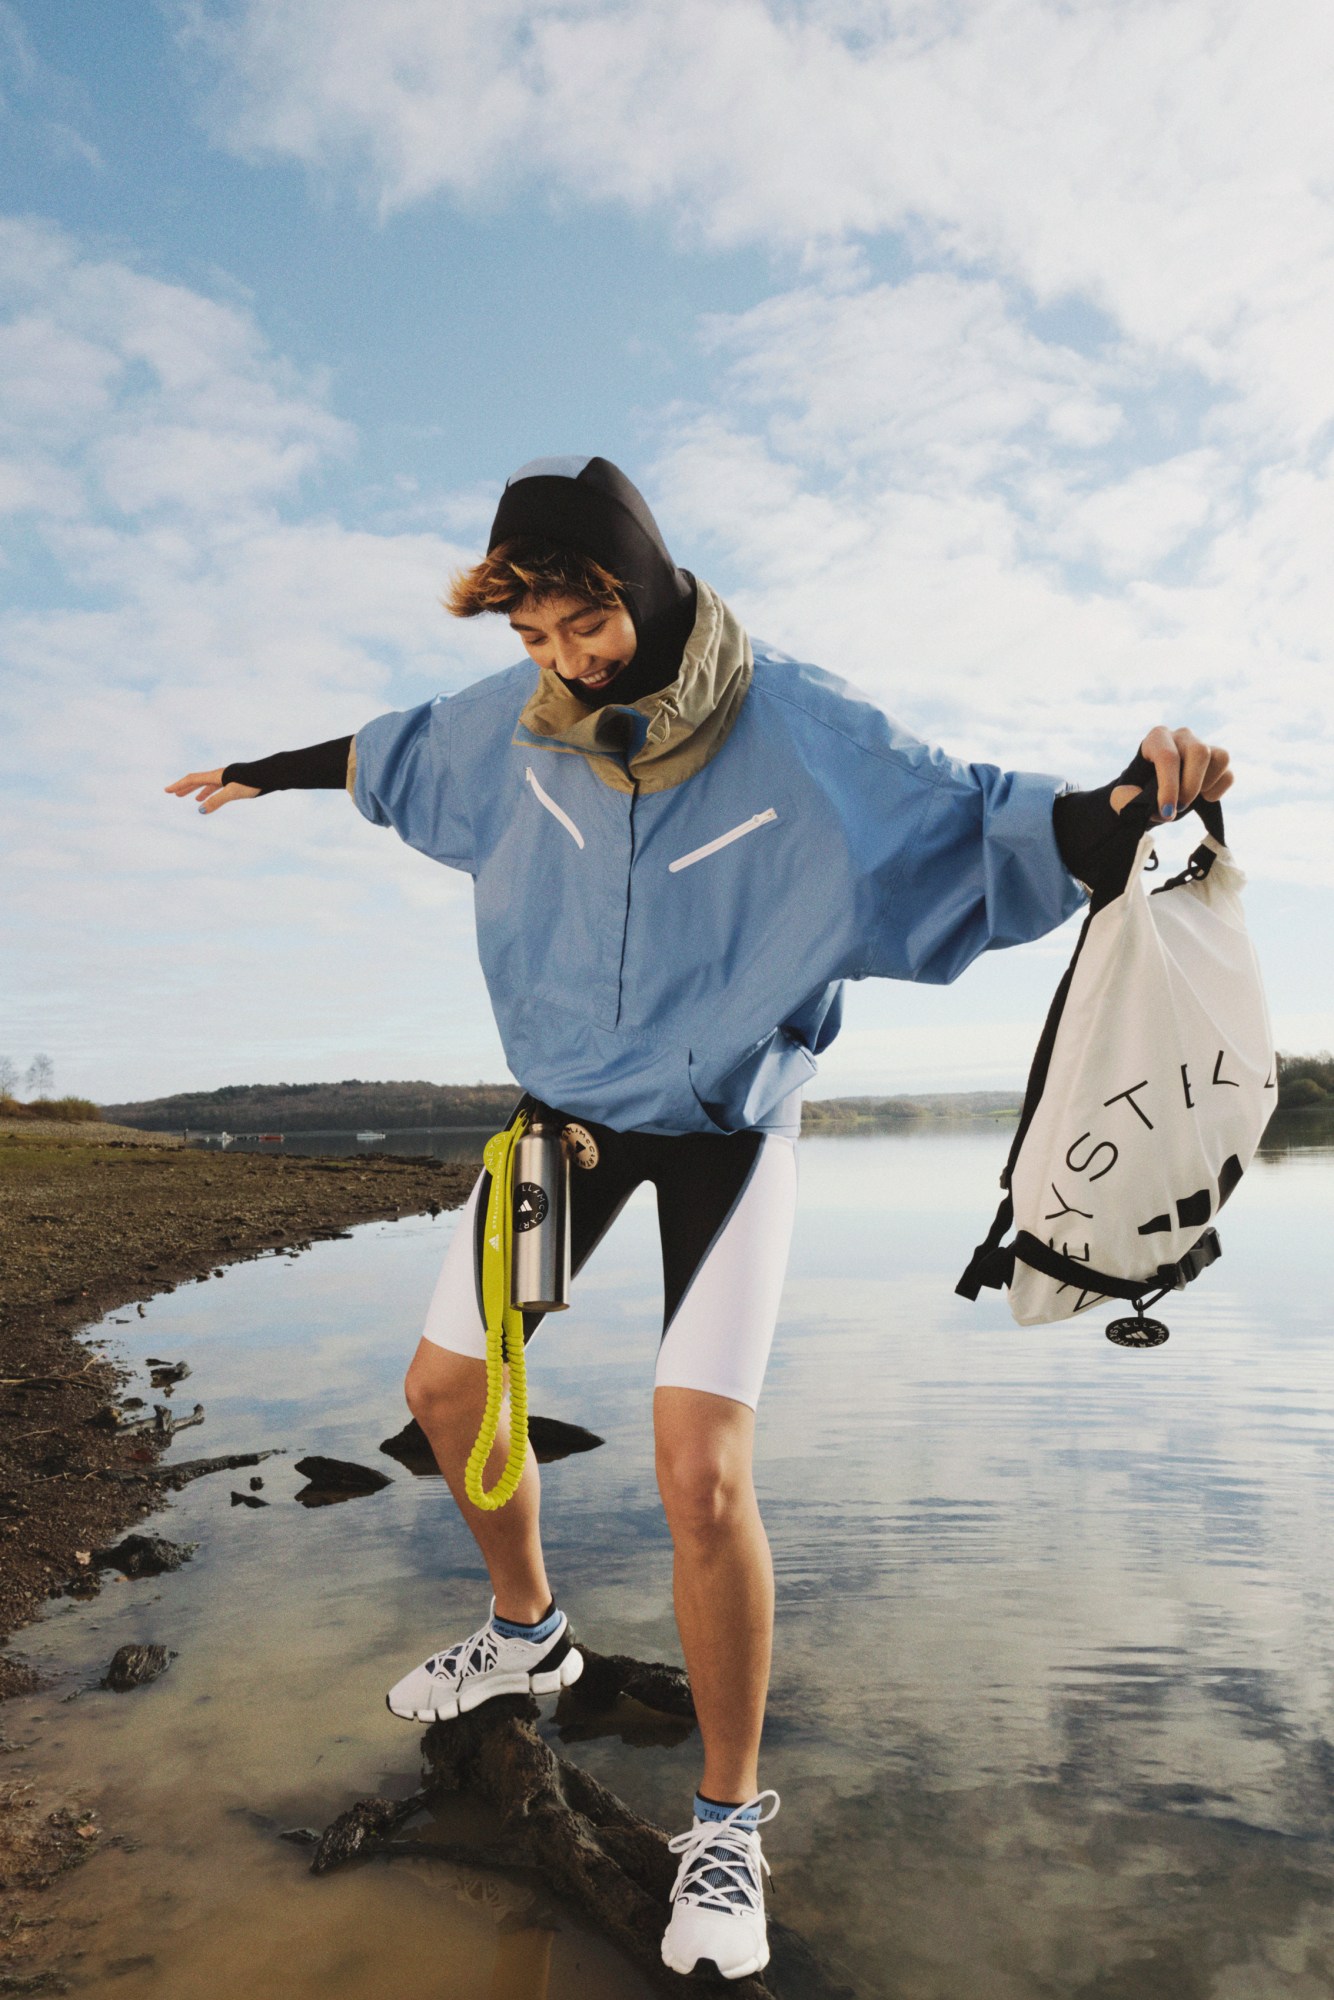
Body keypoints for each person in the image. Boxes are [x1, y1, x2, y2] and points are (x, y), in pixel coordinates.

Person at [167, 454, 1233, 1981]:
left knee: (698, 1474)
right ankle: (526, 1631)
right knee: (444, 1390)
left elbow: (991, 825)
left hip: (731, 1126)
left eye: (575, 628)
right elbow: (393, 750)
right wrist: (265, 772)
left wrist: (1135, 798)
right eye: (528, 638)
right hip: (565, 1126)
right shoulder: (515, 726)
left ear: (641, 590)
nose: (555, 662)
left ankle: (725, 1823)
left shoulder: (800, 726)